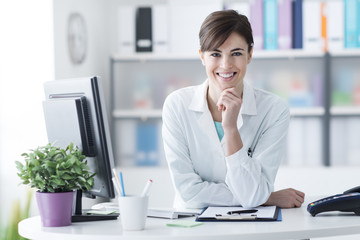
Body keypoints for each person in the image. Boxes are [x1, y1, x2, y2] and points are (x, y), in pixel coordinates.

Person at [162, 9, 305, 209]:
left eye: (236, 53)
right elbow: (189, 193)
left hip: (251, 225)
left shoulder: (274, 110)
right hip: (192, 225)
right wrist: (266, 197)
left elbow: (253, 195)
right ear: (202, 57)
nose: (226, 65)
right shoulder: (176, 105)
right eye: (215, 54)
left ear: (250, 55)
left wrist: (231, 129)